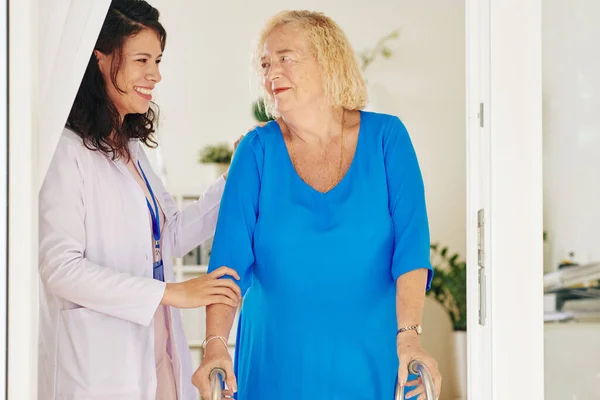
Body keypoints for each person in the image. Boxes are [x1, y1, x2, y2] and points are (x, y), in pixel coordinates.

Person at [193, 9, 443, 400]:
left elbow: (412, 250)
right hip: (272, 369)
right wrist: (214, 344)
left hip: (369, 364)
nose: (271, 72)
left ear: (329, 61)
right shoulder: (256, 152)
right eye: (265, 63)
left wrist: (409, 337)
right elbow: (227, 265)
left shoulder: (387, 138)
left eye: (285, 58)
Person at [38, 1, 243, 399]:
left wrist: (232, 179)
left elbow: (169, 238)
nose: (156, 74)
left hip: (157, 351)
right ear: (100, 59)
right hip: (102, 364)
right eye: (143, 59)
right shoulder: (67, 151)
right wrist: (172, 293)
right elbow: (59, 268)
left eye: (159, 60)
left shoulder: (130, 146)